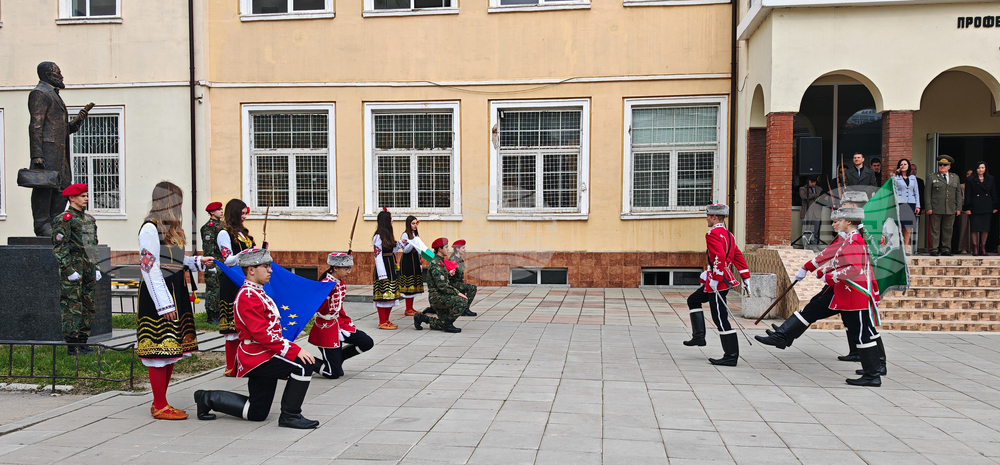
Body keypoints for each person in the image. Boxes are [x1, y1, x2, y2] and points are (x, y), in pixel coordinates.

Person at [758, 191, 884, 372]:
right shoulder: (850, 234)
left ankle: (877, 365)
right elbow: (834, 255)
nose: (840, 213)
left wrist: (825, 273)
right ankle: (785, 334)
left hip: (856, 284)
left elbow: (855, 261)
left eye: (846, 205)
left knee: (862, 325)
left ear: (854, 209)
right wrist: (817, 269)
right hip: (845, 282)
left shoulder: (860, 232)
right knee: (850, 321)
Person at [194, 248, 320, 429]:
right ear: (251, 270)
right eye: (266, 266)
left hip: (264, 352)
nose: (270, 270)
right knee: (303, 366)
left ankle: (207, 398)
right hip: (257, 356)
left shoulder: (257, 292)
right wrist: (294, 350)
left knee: (257, 413)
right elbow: (261, 334)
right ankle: (290, 415)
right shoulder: (247, 296)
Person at [137, 181, 213, 419]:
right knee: (161, 348)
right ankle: (159, 405)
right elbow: (149, 268)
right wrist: (164, 304)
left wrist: (198, 262)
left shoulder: (172, 229)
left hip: (176, 289)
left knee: (172, 349)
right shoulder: (150, 229)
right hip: (160, 293)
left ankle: (161, 401)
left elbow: (176, 259)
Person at [682, 204, 751, 367]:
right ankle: (699, 336)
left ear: (714, 217)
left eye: (707, 216)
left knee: (720, 318)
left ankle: (731, 356)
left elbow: (719, 256)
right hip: (718, 278)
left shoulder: (712, 233)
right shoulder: (729, 234)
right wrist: (745, 275)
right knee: (693, 300)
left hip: (718, 281)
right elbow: (737, 255)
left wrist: (716, 277)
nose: (706, 218)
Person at [28, 61, 93, 237]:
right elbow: (35, 125)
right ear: (49, 76)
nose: (62, 77)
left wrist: (78, 121)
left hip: (60, 152)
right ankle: (42, 224)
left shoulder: (54, 95)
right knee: (45, 187)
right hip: (47, 152)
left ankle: (56, 222)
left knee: (62, 187)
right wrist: (37, 155)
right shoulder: (39, 93)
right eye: (58, 73)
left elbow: (62, 129)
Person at [823, 207, 883, 387]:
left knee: (863, 334)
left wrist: (831, 276)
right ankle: (870, 371)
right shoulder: (851, 239)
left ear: (848, 222)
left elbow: (854, 269)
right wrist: (829, 269)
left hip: (857, 293)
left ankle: (872, 375)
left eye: (839, 220)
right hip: (852, 293)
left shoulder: (854, 240)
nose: (836, 223)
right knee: (862, 332)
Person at [51, 183, 99, 355]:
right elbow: (60, 247)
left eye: (86, 195)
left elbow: (92, 245)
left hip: (88, 265)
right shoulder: (65, 219)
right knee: (72, 306)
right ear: (71, 198)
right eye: (83, 196)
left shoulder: (89, 219)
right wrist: (69, 270)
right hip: (73, 264)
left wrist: (97, 266)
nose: (86, 198)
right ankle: (72, 346)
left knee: (88, 304)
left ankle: (83, 342)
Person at [309, 252, 374, 379]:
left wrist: (345, 321)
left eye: (349, 268)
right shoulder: (325, 285)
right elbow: (317, 307)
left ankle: (340, 358)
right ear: (335, 268)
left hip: (339, 323)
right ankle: (305, 362)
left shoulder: (341, 282)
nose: (349, 271)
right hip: (325, 327)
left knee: (366, 342)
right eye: (346, 269)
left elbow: (339, 308)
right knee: (333, 373)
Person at [218, 199, 256, 375]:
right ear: (233, 213)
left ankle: (244, 363)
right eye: (241, 213)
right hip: (232, 281)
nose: (244, 216)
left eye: (245, 212)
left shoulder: (243, 234)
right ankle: (230, 366)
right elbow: (228, 259)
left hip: (247, 280)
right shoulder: (224, 234)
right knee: (232, 329)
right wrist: (245, 254)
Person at [413, 238, 465, 333]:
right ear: (439, 249)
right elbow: (442, 286)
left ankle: (421, 318)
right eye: (446, 247)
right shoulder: (436, 264)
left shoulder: (440, 262)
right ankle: (448, 325)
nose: (448, 249)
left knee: (441, 323)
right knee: (462, 301)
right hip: (437, 297)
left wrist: (448, 274)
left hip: (440, 295)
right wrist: (457, 293)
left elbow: (439, 279)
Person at [926, 155, 962, 256]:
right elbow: (927, 193)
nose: (942, 166)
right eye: (940, 165)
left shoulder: (955, 177)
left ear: (949, 166)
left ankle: (946, 249)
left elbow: (958, 193)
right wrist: (928, 207)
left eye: (945, 165)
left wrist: (958, 208)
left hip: (950, 207)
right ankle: (934, 249)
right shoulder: (932, 177)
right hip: (936, 207)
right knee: (935, 229)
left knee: (948, 229)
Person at [373, 209, 403, 329]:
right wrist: (382, 274)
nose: (392, 221)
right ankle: (382, 321)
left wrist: (400, 244)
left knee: (390, 294)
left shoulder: (387, 236)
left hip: (391, 266)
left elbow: (391, 250)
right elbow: (377, 256)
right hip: (384, 267)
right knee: (383, 294)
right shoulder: (377, 237)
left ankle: (387, 320)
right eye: (390, 218)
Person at [964, 162, 999, 256]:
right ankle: (975, 248)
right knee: (974, 228)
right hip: (975, 206)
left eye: (982, 168)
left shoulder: (990, 179)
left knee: (985, 228)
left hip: (987, 206)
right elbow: (968, 194)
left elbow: (993, 192)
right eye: (979, 168)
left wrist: (995, 206)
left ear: (985, 169)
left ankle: (983, 248)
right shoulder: (971, 179)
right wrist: (967, 207)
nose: (980, 170)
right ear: (976, 169)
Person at [200, 202, 225, 325]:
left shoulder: (222, 225)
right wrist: (211, 264)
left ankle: (220, 314)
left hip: (222, 262)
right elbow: (208, 249)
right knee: (212, 290)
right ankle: (212, 315)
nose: (221, 211)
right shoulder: (208, 228)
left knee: (221, 289)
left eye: (221, 209)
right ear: (211, 212)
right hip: (213, 262)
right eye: (218, 209)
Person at [891, 159, 921, 250]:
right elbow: (891, 186)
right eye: (901, 164)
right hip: (900, 202)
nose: (903, 166)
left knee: (908, 226)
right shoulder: (896, 177)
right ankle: (899, 246)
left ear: (908, 166)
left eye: (905, 164)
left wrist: (917, 205)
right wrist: (895, 173)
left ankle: (906, 246)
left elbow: (916, 192)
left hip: (911, 203)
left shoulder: (913, 178)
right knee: (900, 225)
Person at [398, 216, 424, 317]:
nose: (415, 225)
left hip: (415, 260)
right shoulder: (405, 234)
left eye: (415, 223)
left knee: (414, 284)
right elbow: (405, 250)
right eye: (413, 223)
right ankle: (407, 309)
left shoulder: (415, 234)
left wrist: (420, 263)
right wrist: (413, 242)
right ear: (409, 224)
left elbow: (419, 250)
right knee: (409, 284)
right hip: (408, 261)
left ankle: (411, 307)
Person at [449, 239, 477, 317]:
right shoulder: (453, 260)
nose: (465, 250)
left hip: (458, 283)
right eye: (463, 248)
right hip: (453, 284)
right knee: (472, 288)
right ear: (457, 249)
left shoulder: (460, 259)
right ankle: (465, 309)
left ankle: (464, 309)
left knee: (469, 287)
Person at [799, 176, 824, 245]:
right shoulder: (803, 188)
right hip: (807, 212)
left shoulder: (819, 189)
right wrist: (815, 195)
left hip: (817, 212)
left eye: (814, 182)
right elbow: (804, 197)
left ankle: (814, 246)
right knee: (805, 230)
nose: (813, 183)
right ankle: (805, 245)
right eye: (811, 182)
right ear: (808, 181)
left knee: (815, 231)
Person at [958, 170, 973, 254]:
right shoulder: (962, 186)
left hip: (975, 210)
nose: (969, 176)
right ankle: (963, 247)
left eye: (971, 174)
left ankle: (973, 247)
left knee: (974, 230)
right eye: (967, 174)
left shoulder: (977, 184)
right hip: (964, 209)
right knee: (963, 228)